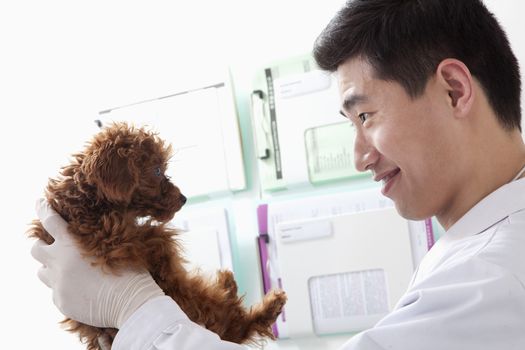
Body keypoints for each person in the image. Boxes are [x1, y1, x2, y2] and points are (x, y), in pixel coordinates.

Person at [31, 0, 525, 349]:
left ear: (455, 91)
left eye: (367, 117)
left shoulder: (496, 278)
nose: (360, 156)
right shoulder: (478, 245)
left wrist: (131, 306)